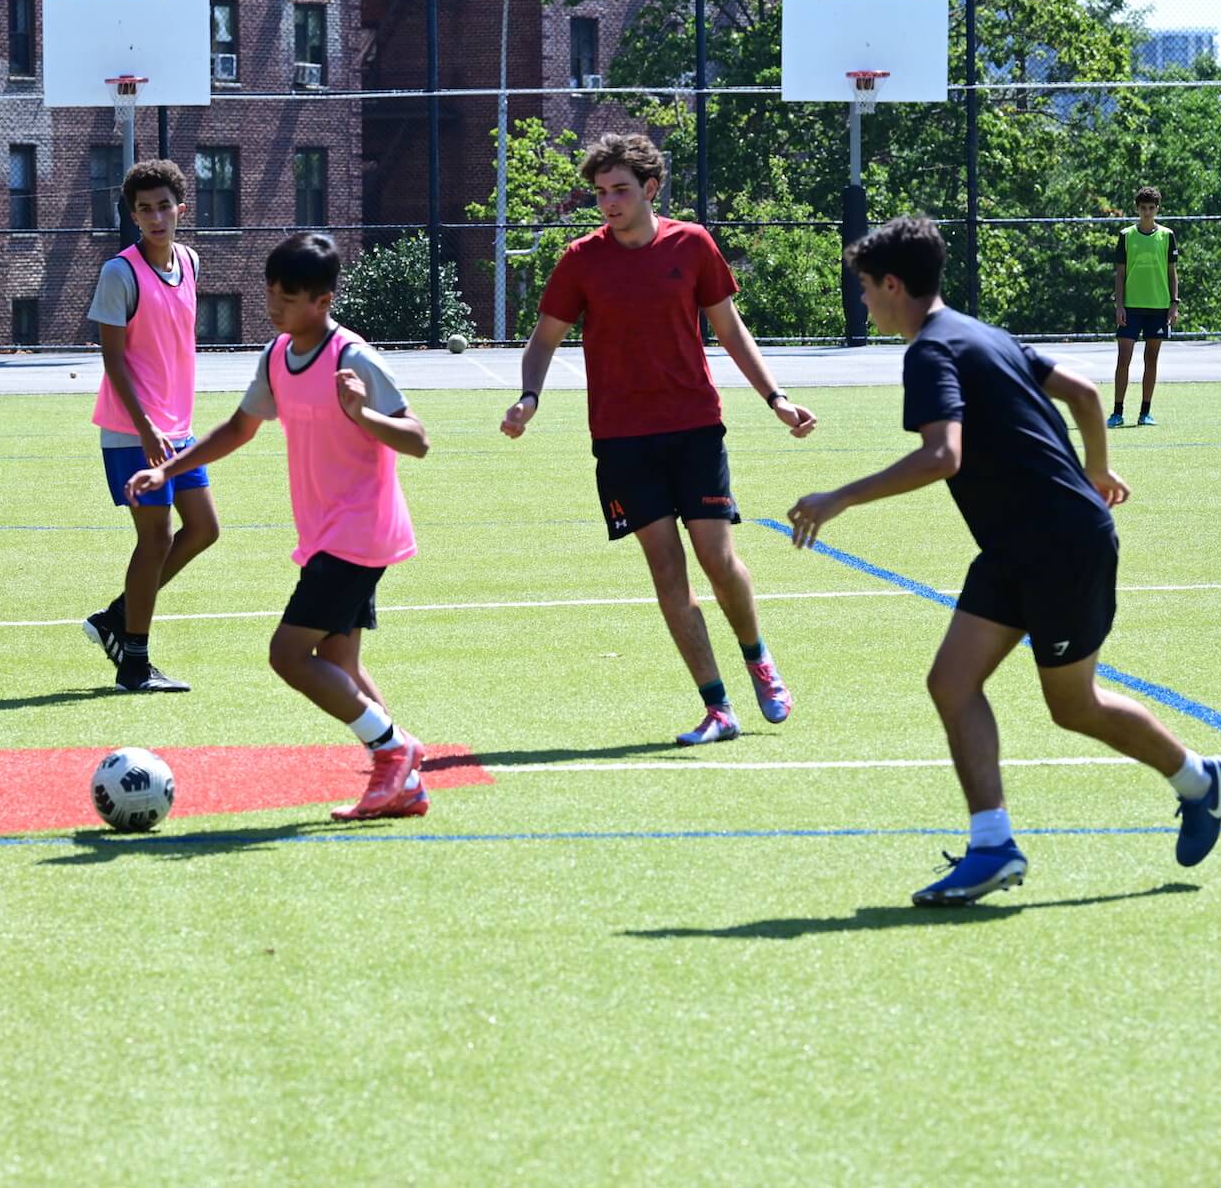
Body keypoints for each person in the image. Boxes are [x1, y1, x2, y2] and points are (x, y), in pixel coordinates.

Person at [787, 214, 1221, 907]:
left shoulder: (931, 352)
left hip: (1060, 547)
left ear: (895, 284)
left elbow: (944, 455)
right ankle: (992, 845)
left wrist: (839, 497)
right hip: (1017, 546)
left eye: (866, 288)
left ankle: (1199, 780)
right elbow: (1084, 394)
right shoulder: (981, 332)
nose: (864, 300)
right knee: (951, 682)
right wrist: (1096, 469)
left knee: (1073, 706)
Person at [502, 132, 817, 746]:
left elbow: (729, 329)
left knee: (717, 559)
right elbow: (544, 339)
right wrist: (529, 398)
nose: (609, 203)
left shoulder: (691, 245)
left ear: (650, 188)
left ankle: (758, 659)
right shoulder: (580, 260)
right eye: (600, 193)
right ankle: (717, 708)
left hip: (695, 428)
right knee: (667, 574)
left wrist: (777, 399)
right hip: (621, 440)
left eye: (620, 190)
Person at [127, 233, 432, 822]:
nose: (274, 305)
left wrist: (362, 413)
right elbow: (239, 429)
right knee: (339, 662)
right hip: (325, 533)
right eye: (270, 292)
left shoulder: (352, 357)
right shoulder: (276, 355)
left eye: (287, 297)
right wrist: (166, 466)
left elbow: (417, 440)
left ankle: (394, 750)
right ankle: (402, 779)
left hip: (360, 532)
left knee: (289, 654)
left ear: (322, 300)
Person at [80, 159, 220, 693]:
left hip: (177, 428)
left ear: (181, 209)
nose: (156, 217)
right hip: (130, 430)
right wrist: (145, 429)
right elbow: (113, 362)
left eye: (164, 206)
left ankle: (118, 617)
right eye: (145, 209)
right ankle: (134, 664)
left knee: (204, 529)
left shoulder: (190, 260)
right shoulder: (120, 272)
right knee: (157, 537)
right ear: (132, 215)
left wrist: (168, 427)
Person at [1110, 185, 1179, 427]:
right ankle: (1117, 412)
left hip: (1158, 307)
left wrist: (1174, 303)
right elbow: (1120, 274)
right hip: (1131, 307)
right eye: (1143, 208)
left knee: (1151, 359)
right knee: (1124, 359)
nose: (1147, 213)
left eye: (1151, 208)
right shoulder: (1126, 235)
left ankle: (1145, 412)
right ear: (1137, 209)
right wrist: (1119, 305)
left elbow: (1172, 273)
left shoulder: (1167, 236)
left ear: (1157, 209)